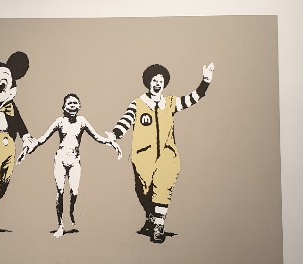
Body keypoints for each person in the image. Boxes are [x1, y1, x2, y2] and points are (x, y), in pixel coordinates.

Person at [108, 62, 215, 243]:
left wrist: (205, 81)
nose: (157, 83)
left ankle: (159, 227)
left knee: (163, 187)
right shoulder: (138, 103)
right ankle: (151, 218)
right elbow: (126, 120)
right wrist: (115, 134)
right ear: (148, 82)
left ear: (164, 84)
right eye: (154, 80)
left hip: (168, 155)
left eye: (161, 81)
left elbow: (193, 98)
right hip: (143, 156)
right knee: (143, 191)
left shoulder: (171, 103)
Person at [19, 93, 121, 237]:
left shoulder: (82, 121)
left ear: (79, 106)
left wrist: (111, 142)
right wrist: (28, 149)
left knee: (74, 192)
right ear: (64, 107)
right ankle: (60, 225)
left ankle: (71, 211)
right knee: (60, 191)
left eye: (75, 103)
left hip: (75, 161)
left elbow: (97, 137)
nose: (72, 106)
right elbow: (42, 139)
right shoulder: (59, 121)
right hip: (60, 160)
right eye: (69, 103)